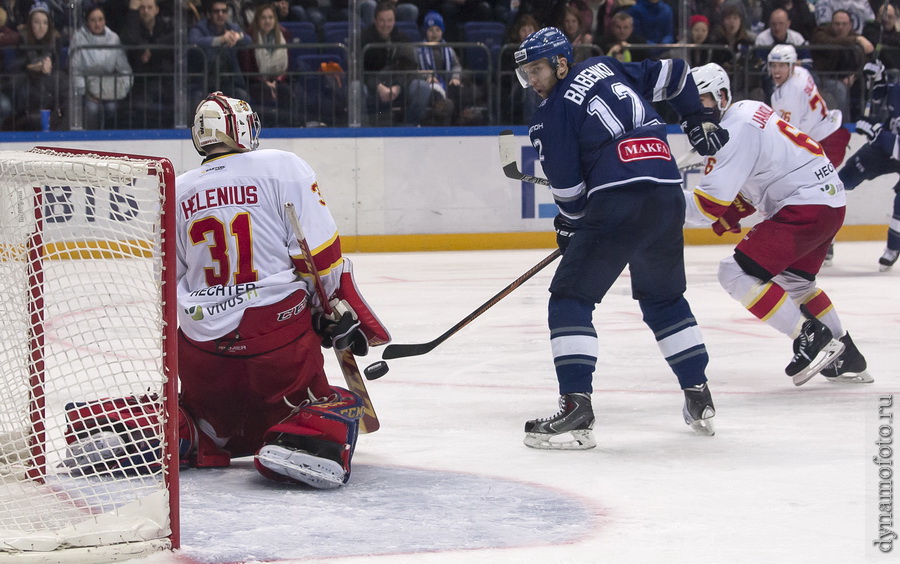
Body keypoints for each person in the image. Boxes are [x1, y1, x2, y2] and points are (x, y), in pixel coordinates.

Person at [513, 27, 729, 448]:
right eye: (526, 73)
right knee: (664, 298)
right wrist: (697, 118)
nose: (533, 81)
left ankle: (576, 408)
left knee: (571, 297)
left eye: (537, 69)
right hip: (667, 193)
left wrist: (572, 226)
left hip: (618, 201)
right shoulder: (607, 66)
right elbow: (679, 74)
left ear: (560, 63)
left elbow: (571, 196)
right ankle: (698, 394)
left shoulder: (549, 114)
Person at [175, 92, 390, 488]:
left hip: (202, 356)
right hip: (274, 346)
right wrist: (335, 312)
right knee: (337, 403)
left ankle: (181, 432)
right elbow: (322, 257)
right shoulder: (280, 165)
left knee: (199, 414)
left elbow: (169, 284)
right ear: (241, 128)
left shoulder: (178, 189)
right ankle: (304, 441)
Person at [684, 62, 872, 385]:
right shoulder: (748, 111)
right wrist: (728, 212)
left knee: (733, 271)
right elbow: (750, 186)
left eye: (702, 101)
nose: (693, 111)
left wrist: (657, 197)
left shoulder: (733, 131)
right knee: (798, 283)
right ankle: (847, 358)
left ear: (722, 96)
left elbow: (706, 207)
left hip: (806, 205)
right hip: (828, 202)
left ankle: (808, 336)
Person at [838, 59, 900, 272]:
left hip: (890, 146)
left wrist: (877, 133)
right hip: (882, 151)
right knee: (840, 181)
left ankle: (893, 247)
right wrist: (879, 79)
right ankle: (822, 238)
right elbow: (886, 99)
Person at [768, 44, 850, 167]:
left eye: (782, 65)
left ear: (791, 66)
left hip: (825, 143)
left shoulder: (785, 96)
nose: (776, 71)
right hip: (835, 129)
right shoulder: (802, 72)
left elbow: (791, 138)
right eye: (773, 65)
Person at [361, 2, 432, 125]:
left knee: (422, 87)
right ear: (375, 20)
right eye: (382, 20)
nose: (386, 25)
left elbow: (410, 68)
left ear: (394, 20)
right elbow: (359, 70)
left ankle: (409, 127)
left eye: (390, 20)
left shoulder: (403, 39)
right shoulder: (363, 39)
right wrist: (378, 86)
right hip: (372, 85)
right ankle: (362, 130)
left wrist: (398, 86)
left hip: (398, 85)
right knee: (356, 88)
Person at [69, 5, 133, 129]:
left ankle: (109, 138)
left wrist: (122, 89)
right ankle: (89, 137)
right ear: (87, 22)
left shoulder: (113, 38)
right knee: (92, 108)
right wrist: (85, 92)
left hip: (109, 89)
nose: (97, 24)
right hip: (87, 90)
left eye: (100, 19)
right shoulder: (78, 39)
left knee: (111, 107)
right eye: (93, 20)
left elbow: (124, 68)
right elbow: (75, 69)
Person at [8, 1, 67, 130]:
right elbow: (15, 67)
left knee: (61, 84)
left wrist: (49, 66)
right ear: (30, 24)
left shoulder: (55, 41)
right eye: (37, 22)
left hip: (48, 91)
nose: (41, 26)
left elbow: (56, 66)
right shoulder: (21, 40)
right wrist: (34, 67)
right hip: (27, 93)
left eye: (45, 23)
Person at [238, 3, 298, 127]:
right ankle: (264, 128)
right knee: (264, 91)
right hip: (256, 82)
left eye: (270, 18)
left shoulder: (284, 35)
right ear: (257, 20)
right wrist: (264, 81)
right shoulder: (249, 37)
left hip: (279, 80)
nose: (267, 21)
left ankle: (286, 128)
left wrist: (277, 80)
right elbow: (247, 68)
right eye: (263, 18)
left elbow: (288, 66)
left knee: (285, 90)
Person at [811, 8, 874, 122]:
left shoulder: (854, 38)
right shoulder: (821, 33)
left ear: (850, 25)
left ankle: (867, 122)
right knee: (840, 89)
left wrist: (854, 76)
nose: (840, 27)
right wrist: (857, 39)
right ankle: (842, 125)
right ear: (831, 24)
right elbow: (830, 43)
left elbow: (865, 60)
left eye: (844, 24)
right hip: (824, 79)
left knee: (870, 86)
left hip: (850, 79)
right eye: (837, 24)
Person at [120, 0, 175, 128]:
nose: (146, 11)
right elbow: (131, 38)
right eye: (142, 8)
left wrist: (151, 49)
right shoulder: (133, 27)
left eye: (149, 7)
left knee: (178, 106)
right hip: (141, 83)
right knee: (141, 110)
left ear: (156, 10)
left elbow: (179, 36)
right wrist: (132, 12)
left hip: (165, 81)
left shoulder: (165, 26)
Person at [188, 0, 251, 101]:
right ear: (209, 14)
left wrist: (238, 36)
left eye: (224, 11)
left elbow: (249, 41)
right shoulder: (201, 27)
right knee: (197, 99)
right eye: (216, 11)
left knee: (242, 97)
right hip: (204, 81)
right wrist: (221, 40)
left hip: (229, 81)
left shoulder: (231, 28)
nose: (220, 14)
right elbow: (193, 40)